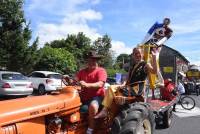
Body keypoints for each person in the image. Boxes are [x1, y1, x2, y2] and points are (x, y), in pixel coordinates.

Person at [95, 47, 157, 118]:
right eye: (135, 53)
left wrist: (154, 57)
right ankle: (107, 112)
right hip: (129, 87)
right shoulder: (132, 66)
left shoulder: (145, 64)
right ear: (133, 55)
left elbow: (154, 71)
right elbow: (126, 79)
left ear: (142, 54)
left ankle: (105, 111)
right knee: (110, 89)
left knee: (113, 90)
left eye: (139, 53)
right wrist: (123, 84)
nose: (137, 55)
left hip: (136, 89)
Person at [75, 50, 107, 134]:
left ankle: (90, 130)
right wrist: (69, 81)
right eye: (89, 60)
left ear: (96, 61)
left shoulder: (101, 71)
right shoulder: (82, 72)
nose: (91, 62)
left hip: (97, 97)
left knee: (93, 106)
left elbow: (100, 84)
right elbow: (75, 81)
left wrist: (87, 84)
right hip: (84, 97)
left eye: (93, 60)